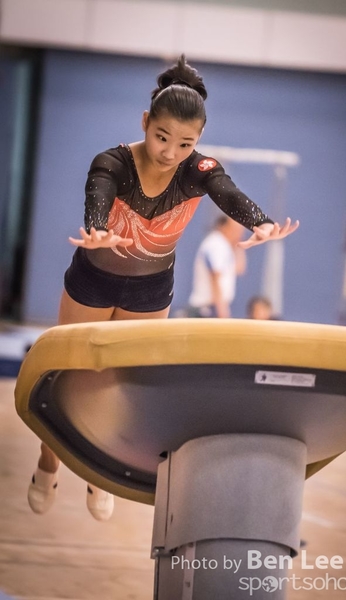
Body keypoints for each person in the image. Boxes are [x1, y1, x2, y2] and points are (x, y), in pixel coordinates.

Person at [27, 55, 299, 521]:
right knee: (66, 374)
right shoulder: (112, 161)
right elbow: (98, 193)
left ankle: (98, 474)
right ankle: (48, 461)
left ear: (198, 141)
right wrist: (97, 229)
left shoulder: (199, 169)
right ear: (145, 122)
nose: (170, 152)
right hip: (93, 280)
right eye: (161, 136)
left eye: (185, 143)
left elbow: (228, 191)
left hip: (150, 291)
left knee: (119, 385)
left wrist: (261, 221)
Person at [188, 215, 246, 318]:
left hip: (214, 307)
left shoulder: (225, 246)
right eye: (235, 229)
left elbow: (239, 269)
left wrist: (239, 244)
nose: (239, 233)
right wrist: (222, 310)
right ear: (223, 227)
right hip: (207, 309)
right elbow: (215, 276)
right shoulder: (216, 244)